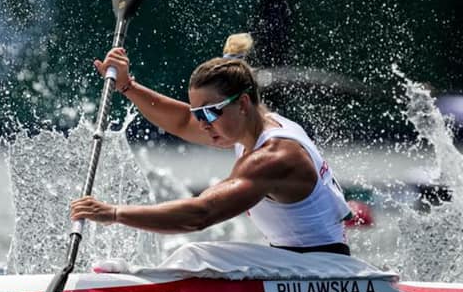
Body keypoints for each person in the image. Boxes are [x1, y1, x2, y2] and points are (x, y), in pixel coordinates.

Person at [70, 33, 353, 255]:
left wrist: (113, 213)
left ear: (243, 104)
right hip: (302, 262)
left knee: (196, 255)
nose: (203, 123)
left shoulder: (274, 157)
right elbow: (182, 120)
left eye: (209, 112)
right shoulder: (252, 123)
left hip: (319, 269)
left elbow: (201, 214)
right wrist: (127, 86)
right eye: (198, 113)